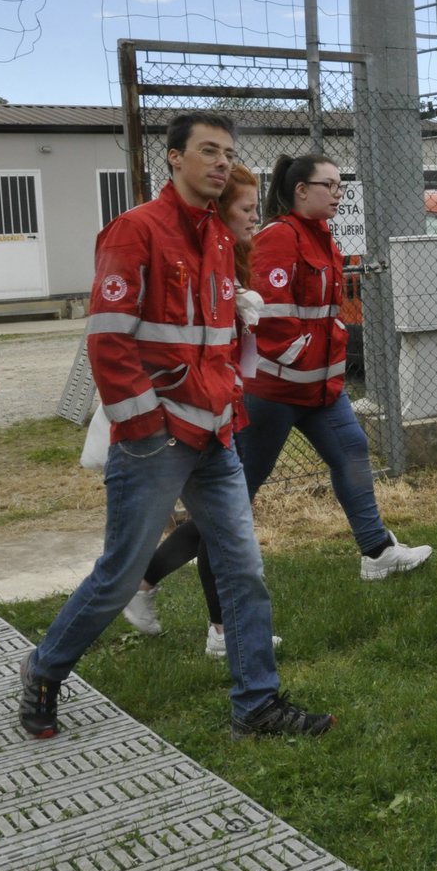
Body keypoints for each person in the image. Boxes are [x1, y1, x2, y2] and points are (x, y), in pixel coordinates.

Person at [20, 112, 332, 739]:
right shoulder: (135, 231)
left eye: (228, 153)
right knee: (119, 575)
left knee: (243, 569)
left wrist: (230, 399)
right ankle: (44, 670)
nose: (221, 163)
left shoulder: (217, 237)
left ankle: (256, 705)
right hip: (156, 438)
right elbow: (108, 342)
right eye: (208, 152)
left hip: (215, 430)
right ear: (173, 158)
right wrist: (143, 427)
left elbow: (209, 341)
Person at [240, 154, 431, 580]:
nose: (338, 194)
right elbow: (266, 315)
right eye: (330, 186)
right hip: (275, 393)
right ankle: (148, 576)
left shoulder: (322, 235)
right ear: (301, 191)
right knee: (237, 490)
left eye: (341, 186)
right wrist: (302, 356)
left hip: (321, 390)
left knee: (352, 453)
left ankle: (376, 551)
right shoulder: (279, 236)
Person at [120, 164, 283, 656]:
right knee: (223, 524)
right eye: (247, 209)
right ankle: (211, 625)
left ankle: (153, 587)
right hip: (186, 415)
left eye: (258, 208)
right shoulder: (191, 255)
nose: (256, 219)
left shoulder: (231, 254)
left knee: (225, 521)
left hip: (220, 408)